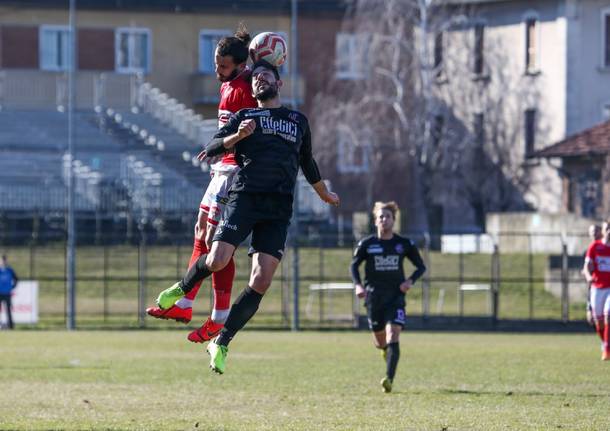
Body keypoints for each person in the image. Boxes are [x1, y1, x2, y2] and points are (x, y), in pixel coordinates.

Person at [154, 59, 340, 374]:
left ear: (279, 84)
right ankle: (181, 289)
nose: (260, 80)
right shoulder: (245, 116)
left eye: (266, 76)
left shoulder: (298, 120)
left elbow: (307, 160)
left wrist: (322, 191)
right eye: (255, 78)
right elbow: (212, 146)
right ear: (252, 89)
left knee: (261, 279)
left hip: (279, 208)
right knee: (217, 260)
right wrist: (236, 137)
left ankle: (222, 341)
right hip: (246, 199)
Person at [146, 25, 257, 344]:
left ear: (240, 64)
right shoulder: (229, 85)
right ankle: (184, 304)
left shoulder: (248, 84)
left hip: (235, 171)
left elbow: (258, 113)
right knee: (200, 230)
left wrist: (260, 62)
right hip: (221, 168)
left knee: (216, 241)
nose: (218, 71)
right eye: (216, 64)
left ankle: (218, 317)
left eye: (224, 66)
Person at [351, 202, 426, 393]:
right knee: (380, 342)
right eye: (381, 217)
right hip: (374, 298)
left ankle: (389, 379)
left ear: (394, 220)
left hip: (396, 297)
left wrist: (410, 281)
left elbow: (421, 266)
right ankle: (385, 350)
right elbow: (354, 266)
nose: (384, 220)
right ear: (375, 221)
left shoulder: (404, 244)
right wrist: (358, 285)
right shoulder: (367, 244)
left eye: (388, 217)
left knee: (393, 334)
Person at [583, 220, 610, 360]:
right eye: (608, 228)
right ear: (603, 231)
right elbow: (587, 267)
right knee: (598, 321)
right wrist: (588, 276)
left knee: (608, 314)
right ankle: (605, 342)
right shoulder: (595, 247)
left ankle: (606, 350)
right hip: (597, 288)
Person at [583, 224, 602, 326]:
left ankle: (606, 341)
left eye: (596, 231)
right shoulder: (589, 250)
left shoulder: (606, 247)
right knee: (592, 319)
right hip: (594, 288)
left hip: (606, 286)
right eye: (592, 232)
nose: (594, 234)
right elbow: (585, 269)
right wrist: (587, 274)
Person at [0, 255, 19, 329]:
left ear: (6, 261)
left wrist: (12, 287)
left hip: (7, 293)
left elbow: (16, 279)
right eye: (2, 260)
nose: (3, 262)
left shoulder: (10, 270)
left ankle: (10, 326)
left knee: (8, 310)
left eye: (4, 260)